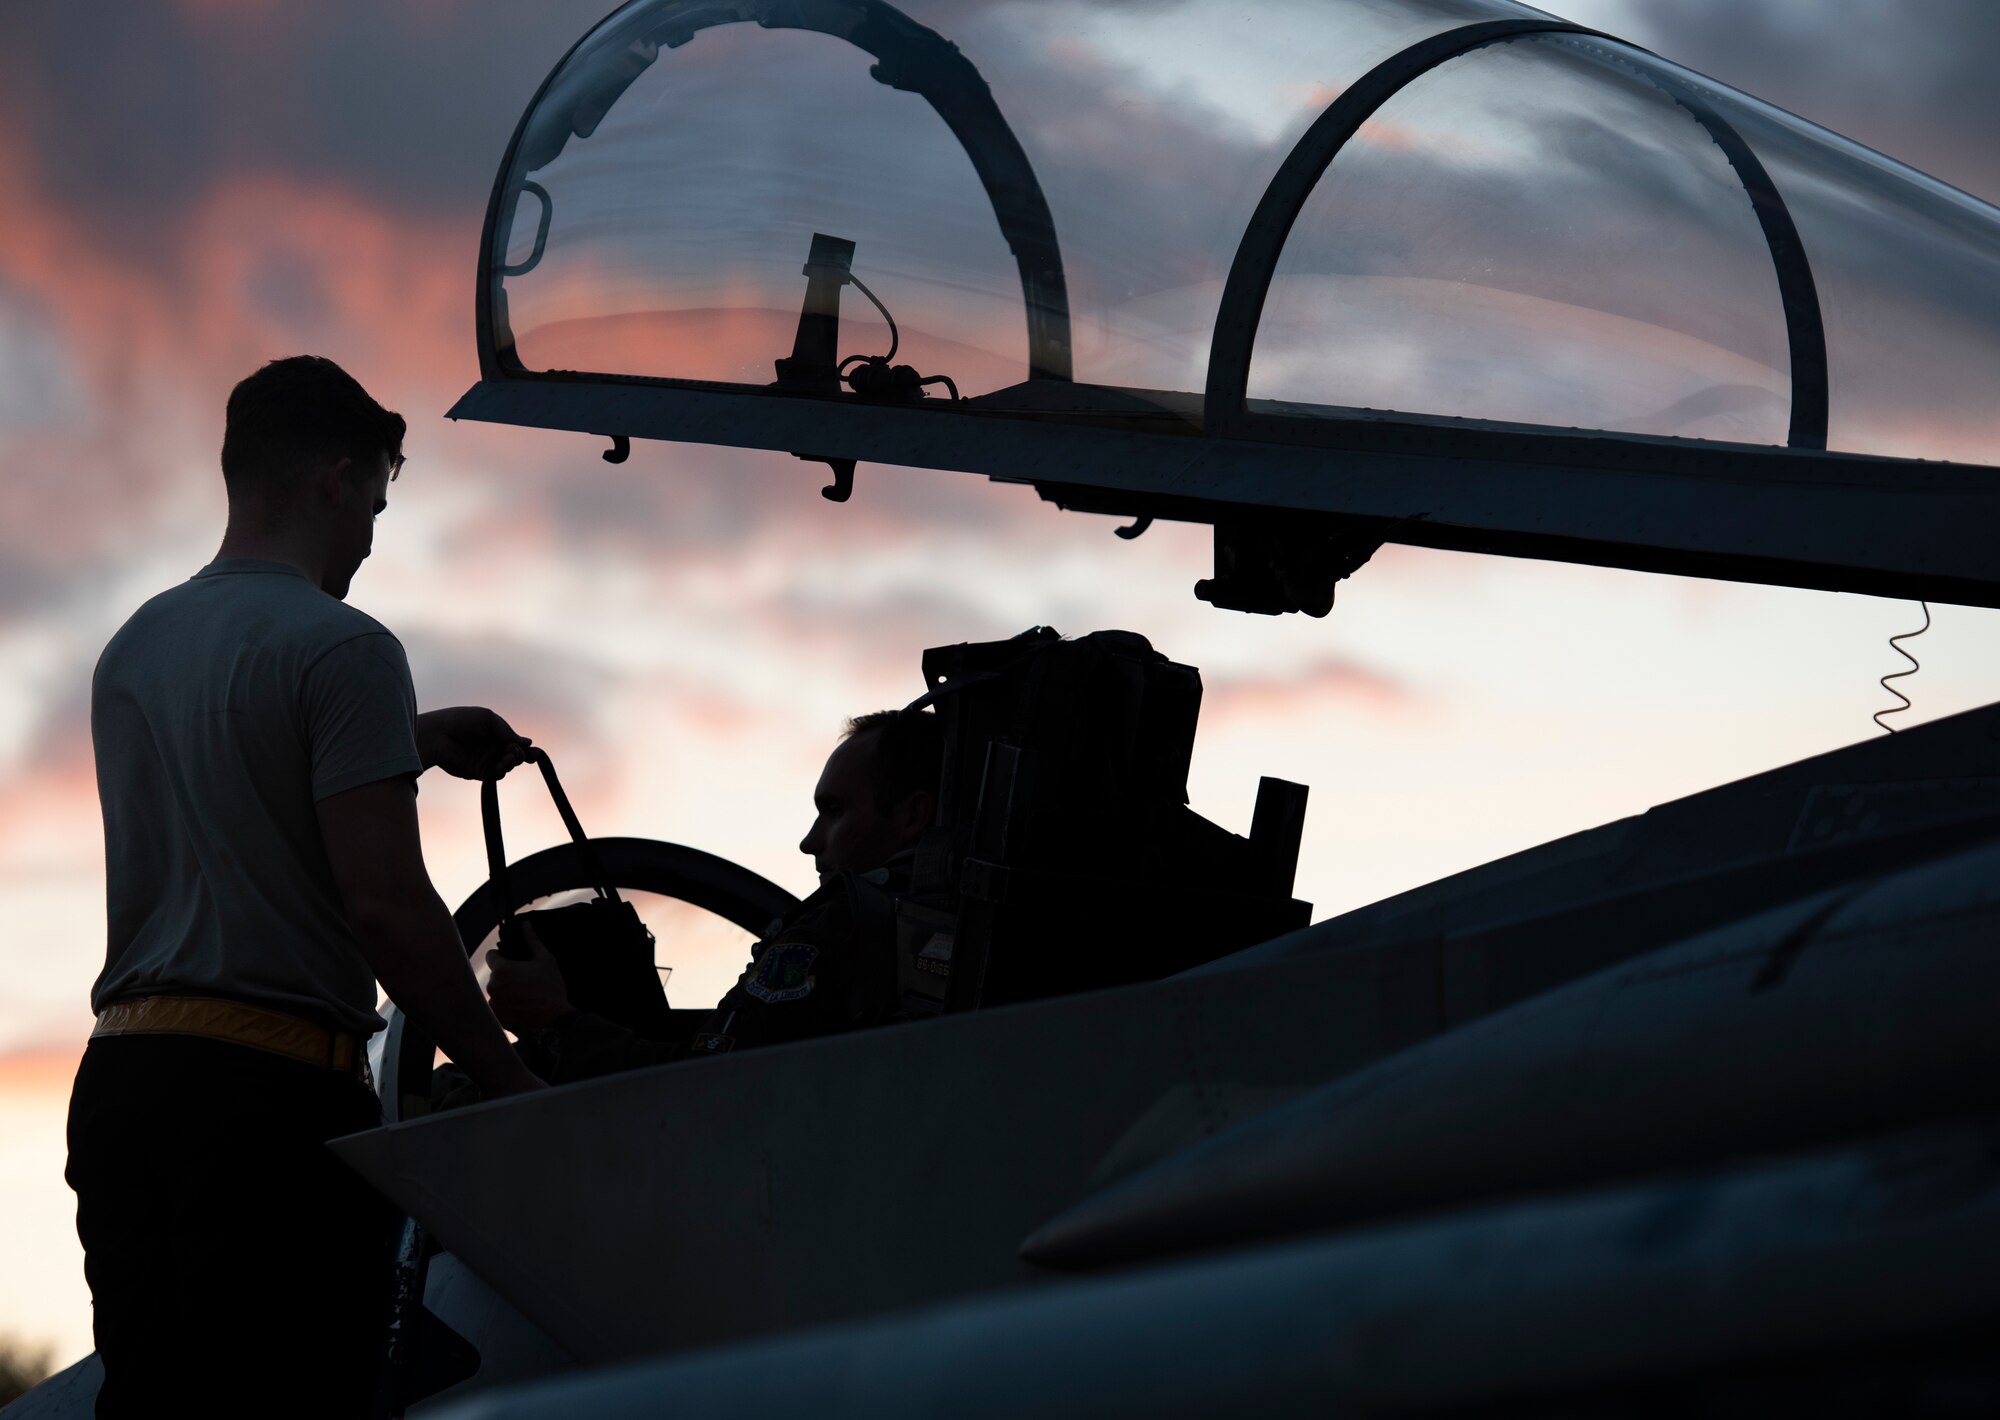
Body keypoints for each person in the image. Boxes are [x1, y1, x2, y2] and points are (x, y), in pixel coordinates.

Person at [67, 356, 545, 1418]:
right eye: (374, 505)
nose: (371, 538)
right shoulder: (345, 647)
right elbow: (383, 905)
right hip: (267, 1107)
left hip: (124, 1092)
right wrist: (510, 1081)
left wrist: (402, 743)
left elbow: (236, 781)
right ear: (336, 478)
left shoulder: (135, 647)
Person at [485, 708, 943, 1080]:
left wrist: (553, 1023)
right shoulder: (939, 940)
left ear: (912, 816)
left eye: (835, 811)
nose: (810, 841)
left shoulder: (844, 929)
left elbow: (709, 1089)